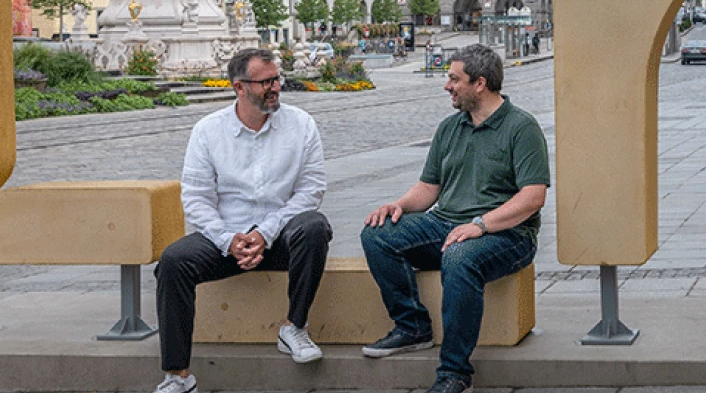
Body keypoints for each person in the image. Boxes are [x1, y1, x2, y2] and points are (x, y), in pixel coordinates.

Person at [359, 44, 550, 393]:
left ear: (480, 83)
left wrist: (480, 225)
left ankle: (454, 374)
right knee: (378, 233)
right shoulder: (450, 128)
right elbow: (428, 187)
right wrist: (397, 205)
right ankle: (412, 326)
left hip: (507, 235)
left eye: (453, 79)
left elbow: (532, 197)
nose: (447, 85)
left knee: (460, 257)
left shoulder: (522, 128)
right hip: (446, 224)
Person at [149, 48, 332, 393]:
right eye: (266, 82)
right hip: (225, 239)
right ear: (239, 87)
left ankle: (294, 328)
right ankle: (178, 376)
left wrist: (265, 232)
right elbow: (197, 198)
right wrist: (228, 239)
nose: (276, 87)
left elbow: (311, 190)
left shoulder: (301, 125)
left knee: (314, 227)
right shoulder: (208, 131)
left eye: (277, 79)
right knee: (173, 261)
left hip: (280, 238)